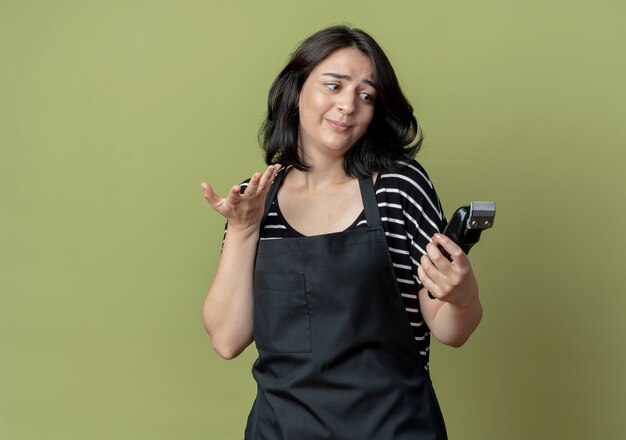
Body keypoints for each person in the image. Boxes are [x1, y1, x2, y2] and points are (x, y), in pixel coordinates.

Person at [201, 25, 482, 440]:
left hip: (394, 428)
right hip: (280, 430)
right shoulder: (256, 199)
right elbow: (227, 339)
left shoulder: (398, 186)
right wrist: (243, 230)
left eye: (366, 95)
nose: (348, 105)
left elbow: (448, 329)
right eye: (333, 86)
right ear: (296, 92)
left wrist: (462, 295)